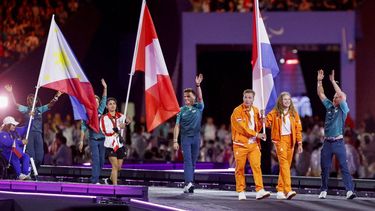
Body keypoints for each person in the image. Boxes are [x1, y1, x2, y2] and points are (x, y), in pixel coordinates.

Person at [316, 69, 356, 199]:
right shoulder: (329, 106)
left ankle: (349, 191)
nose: (334, 97)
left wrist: (333, 81)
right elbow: (321, 94)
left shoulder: (343, 109)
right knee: (325, 168)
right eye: (334, 96)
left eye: (337, 97)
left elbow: (342, 95)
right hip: (327, 142)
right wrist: (319, 81)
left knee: (344, 167)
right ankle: (323, 190)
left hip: (338, 142)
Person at [5, 84, 63, 168]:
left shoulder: (40, 109)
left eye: (32, 99)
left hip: (38, 134)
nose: (30, 100)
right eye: (28, 99)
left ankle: (34, 169)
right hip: (29, 134)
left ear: (36, 101)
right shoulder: (25, 109)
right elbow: (15, 104)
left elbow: (50, 104)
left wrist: (56, 96)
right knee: (32, 156)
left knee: (40, 157)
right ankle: (30, 171)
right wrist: (10, 93)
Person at [230, 89, 270, 200]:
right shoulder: (237, 111)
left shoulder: (256, 110)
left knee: (257, 167)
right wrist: (258, 134)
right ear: (243, 98)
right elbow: (243, 128)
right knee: (240, 168)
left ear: (253, 100)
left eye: (250, 98)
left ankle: (260, 190)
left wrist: (262, 119)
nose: (247, 100)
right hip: (240, 144)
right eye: (245, 97)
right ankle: (241, 191)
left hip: (253, 145)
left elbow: (259, 126)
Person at [265, 92, 303, 200]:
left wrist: (299, 143)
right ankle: (288, 189)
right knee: (285, 164)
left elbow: (298, 130)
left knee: (285, 166)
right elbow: (267, 123)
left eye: (288, 99)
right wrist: (263, 117)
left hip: (291, 141)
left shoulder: (294, 114)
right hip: (280, 141)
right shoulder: (275, 112)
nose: (287, 101)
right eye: (285, 99)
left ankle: (280, 190)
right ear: (280, 101)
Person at [173, 74, 204, 193]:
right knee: (188, 161)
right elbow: (177, 126)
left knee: (194, 161)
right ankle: (189, 182)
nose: (186, 98)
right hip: (185, 138)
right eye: (185, 97)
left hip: (196, 138)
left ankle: (188, 183)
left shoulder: (199, 107)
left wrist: (198, 85)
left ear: (194, 98)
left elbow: (200, 97)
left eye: (189, 96)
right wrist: (175, 141)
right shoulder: (180, 110)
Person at [79, 79, 107, 184]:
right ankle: (94, 180)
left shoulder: (100, 111)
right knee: (96, 160)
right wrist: (81, 141)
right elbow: (83, 127)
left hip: (103, 139)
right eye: (94, 100)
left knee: (102, 161)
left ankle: (95, 178)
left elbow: (104, 99)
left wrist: (105, 87)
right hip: (93, 140)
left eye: (97, 100)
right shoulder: (87, 115)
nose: (96, 101)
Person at [100, 97, 130, 185]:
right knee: (115, 166)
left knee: (119, 168)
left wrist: (127, 121)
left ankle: (109, 180)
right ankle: (115, 186)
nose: (112, 105)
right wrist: (119, 127)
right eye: (110, 104)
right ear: (106, 106)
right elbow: (106, 131)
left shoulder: (119, 115)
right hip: (109, 144)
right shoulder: (104, 118)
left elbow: (127, 119)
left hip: (119, 144)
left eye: (114, 103)